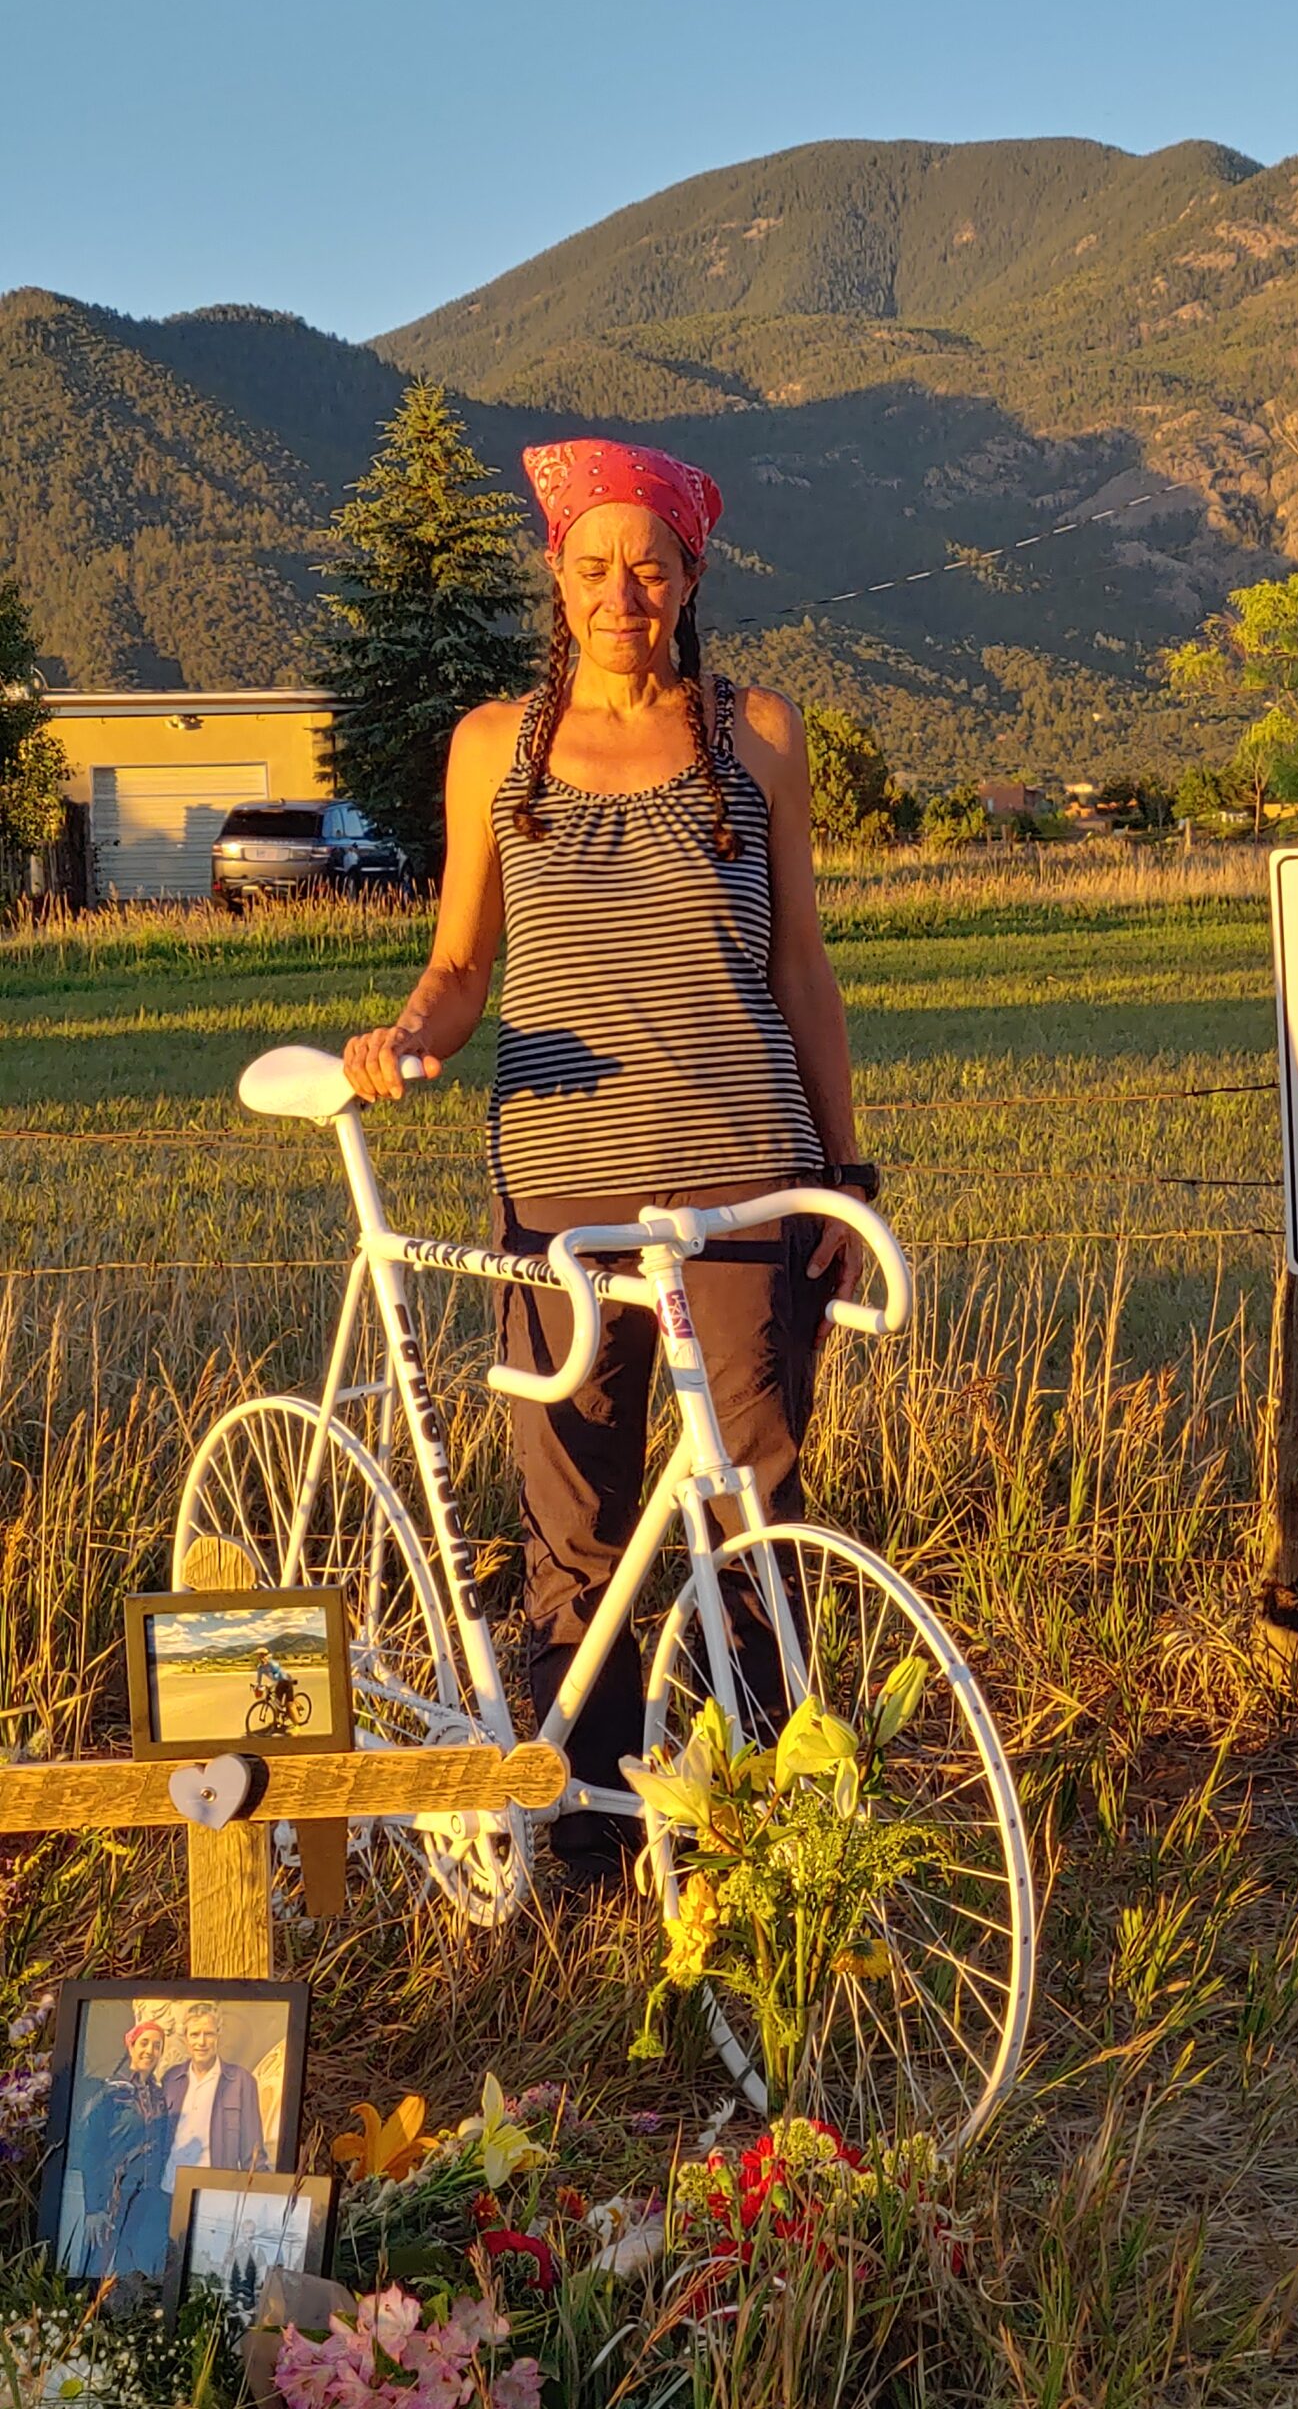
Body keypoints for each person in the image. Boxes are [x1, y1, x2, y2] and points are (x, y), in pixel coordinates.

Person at [342, 437, 876, 1890]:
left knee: (749, 1513)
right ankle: (585, 1841)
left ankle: (768, 1839)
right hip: (561, 1191)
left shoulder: (756, 731)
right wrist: (406, 1033)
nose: (620, 593)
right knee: (575, 1525)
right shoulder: (491, 748)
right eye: (593, 569)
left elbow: (805, 970)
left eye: (649, 567)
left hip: (747, 1180)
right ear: (559, 582)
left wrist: (847, 1176)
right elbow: (461, 964)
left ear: (693, 578)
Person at [75, 2016, 172, 2282]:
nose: (149, 2050)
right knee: (97, 2266)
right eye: (144, 2043)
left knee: (129, 2268)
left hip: (145, 2196)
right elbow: (91, 2151)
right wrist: (94, 2207)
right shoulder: (111, 2092)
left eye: (156, 2045)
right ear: (130, 2046)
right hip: (112, 2194)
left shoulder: (157, 2094)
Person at [161, 2003, 266, 2184]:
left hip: (215, 2189)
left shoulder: (240, 2081)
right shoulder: (171, 2079)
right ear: (186, 2039)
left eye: (208, 2034)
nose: (201, 2042)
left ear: (218, 2036)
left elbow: (253, 2151)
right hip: (169, 2187)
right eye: (194, 2034)